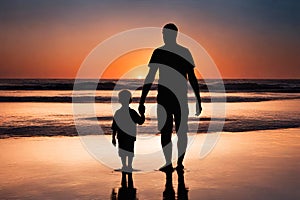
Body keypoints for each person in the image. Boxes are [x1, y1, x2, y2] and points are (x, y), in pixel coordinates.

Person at [139, 23, 202, 172]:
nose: (165, 36)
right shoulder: (162, 52)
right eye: (164, 34)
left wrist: (199, 100)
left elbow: (192, 77)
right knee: (169, 131)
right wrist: (141, 100)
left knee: (179, 132)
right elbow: (150, 77)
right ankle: (171, 163)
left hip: (175, 99)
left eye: (166, 34)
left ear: (172, 35)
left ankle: (177, 164)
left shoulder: (171, 52)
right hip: (168, 98)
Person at [112, 90, 145, 187]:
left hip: (122, 136)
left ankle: (125, 166)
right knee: (129, 151)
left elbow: (114, 127)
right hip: (130, 136)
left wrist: (113, 137)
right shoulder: (132, 112)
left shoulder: (118, 112)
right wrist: (143, 114)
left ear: (120, 100)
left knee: (123, 152)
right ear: (130, 101)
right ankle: (128, 166)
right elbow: (141, 121)